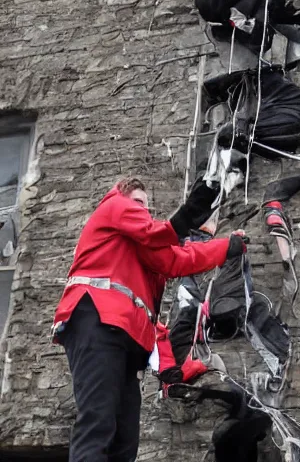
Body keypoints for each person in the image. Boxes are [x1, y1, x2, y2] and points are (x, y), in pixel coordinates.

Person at [52, 177, 246, 462]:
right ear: (122, 195)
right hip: (98, 316)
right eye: (138, 202)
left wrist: (227, 246)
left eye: (146, 205)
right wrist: (189, 213)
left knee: (125, 437)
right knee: (99, 419)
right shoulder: (115, 205)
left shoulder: (139, 240)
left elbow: (174, 260)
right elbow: (157, 232)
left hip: (126, 334)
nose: (142, 209)